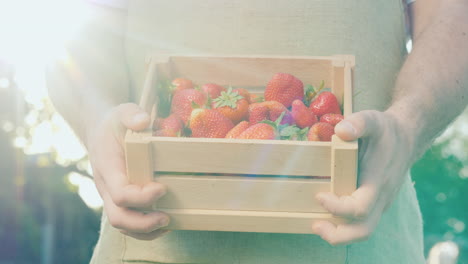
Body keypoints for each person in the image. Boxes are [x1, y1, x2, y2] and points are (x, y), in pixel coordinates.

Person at [46, 0, 468, 263]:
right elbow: (72, 39)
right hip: (149, 245)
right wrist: (96, 119)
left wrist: (408, 122)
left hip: (365, 240)